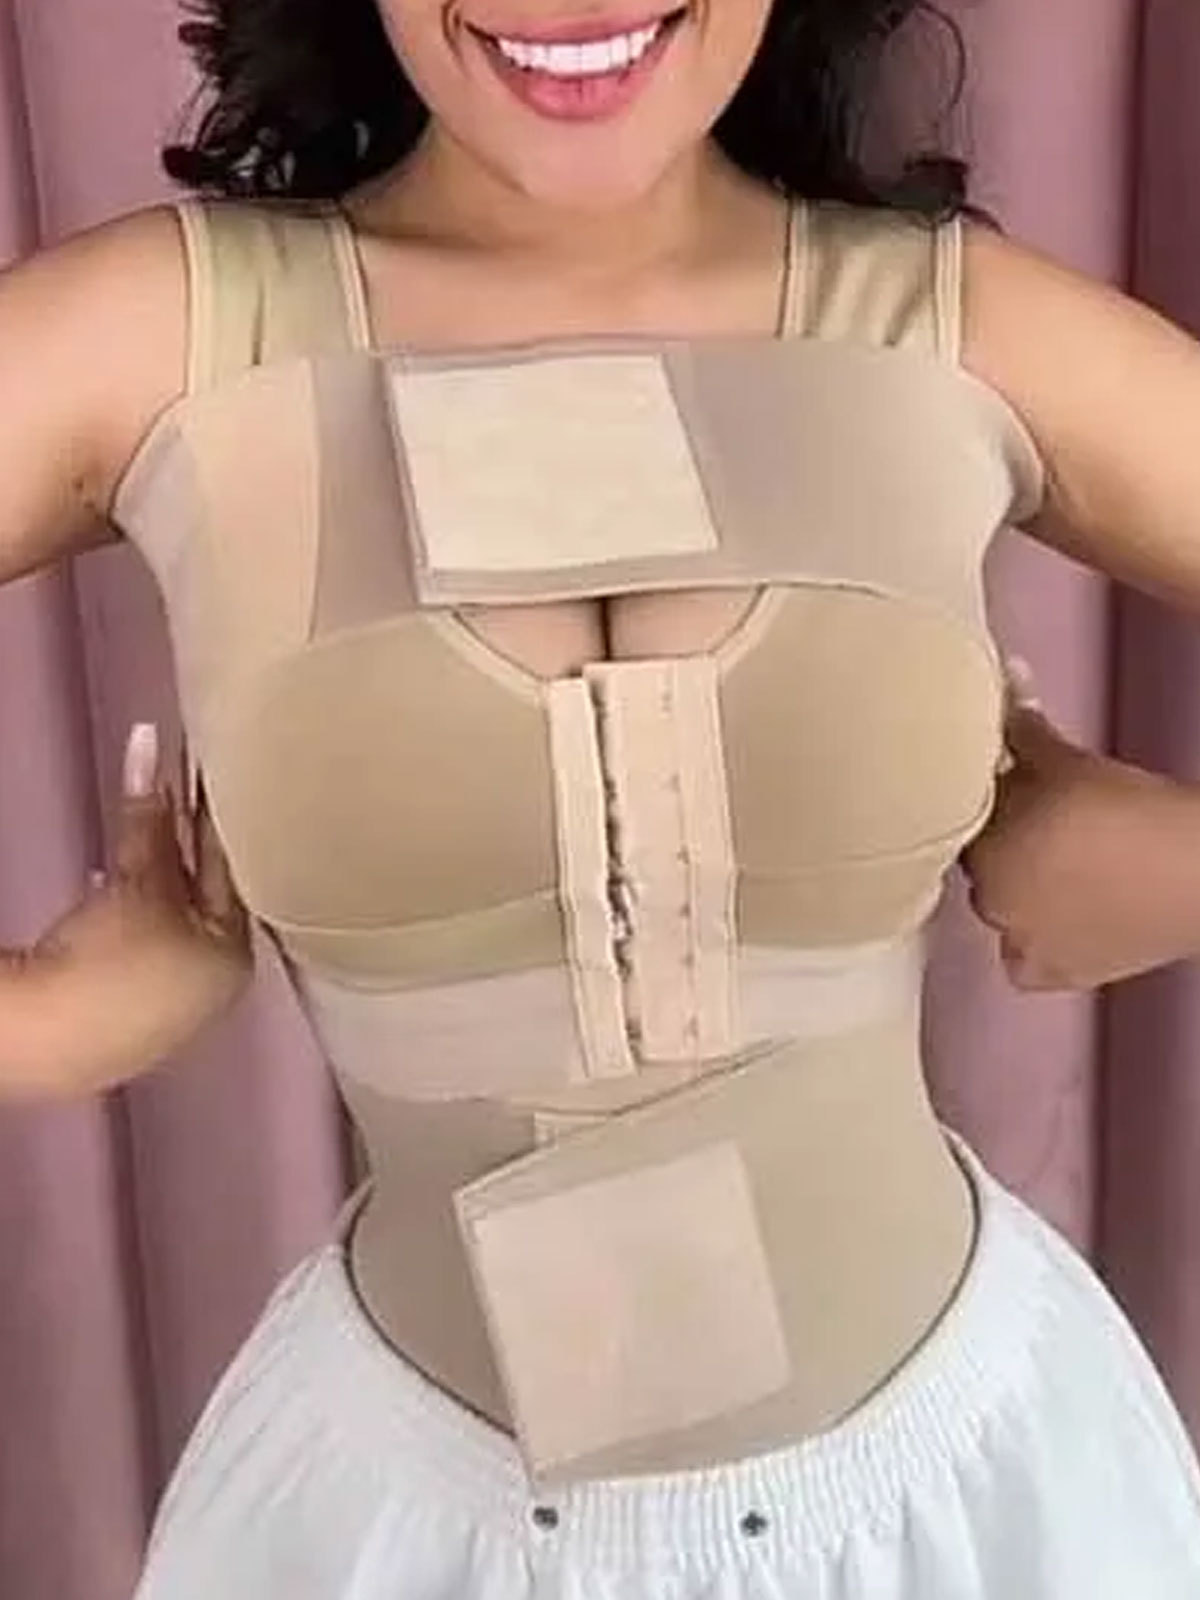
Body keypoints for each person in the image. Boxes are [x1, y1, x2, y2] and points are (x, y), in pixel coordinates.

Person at [4, 0, 1200, 1594]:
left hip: (969, 1515)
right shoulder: (169, 339)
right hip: (400, 1533)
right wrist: (48, 1025)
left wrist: (1181, 867)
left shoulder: (950, 326)